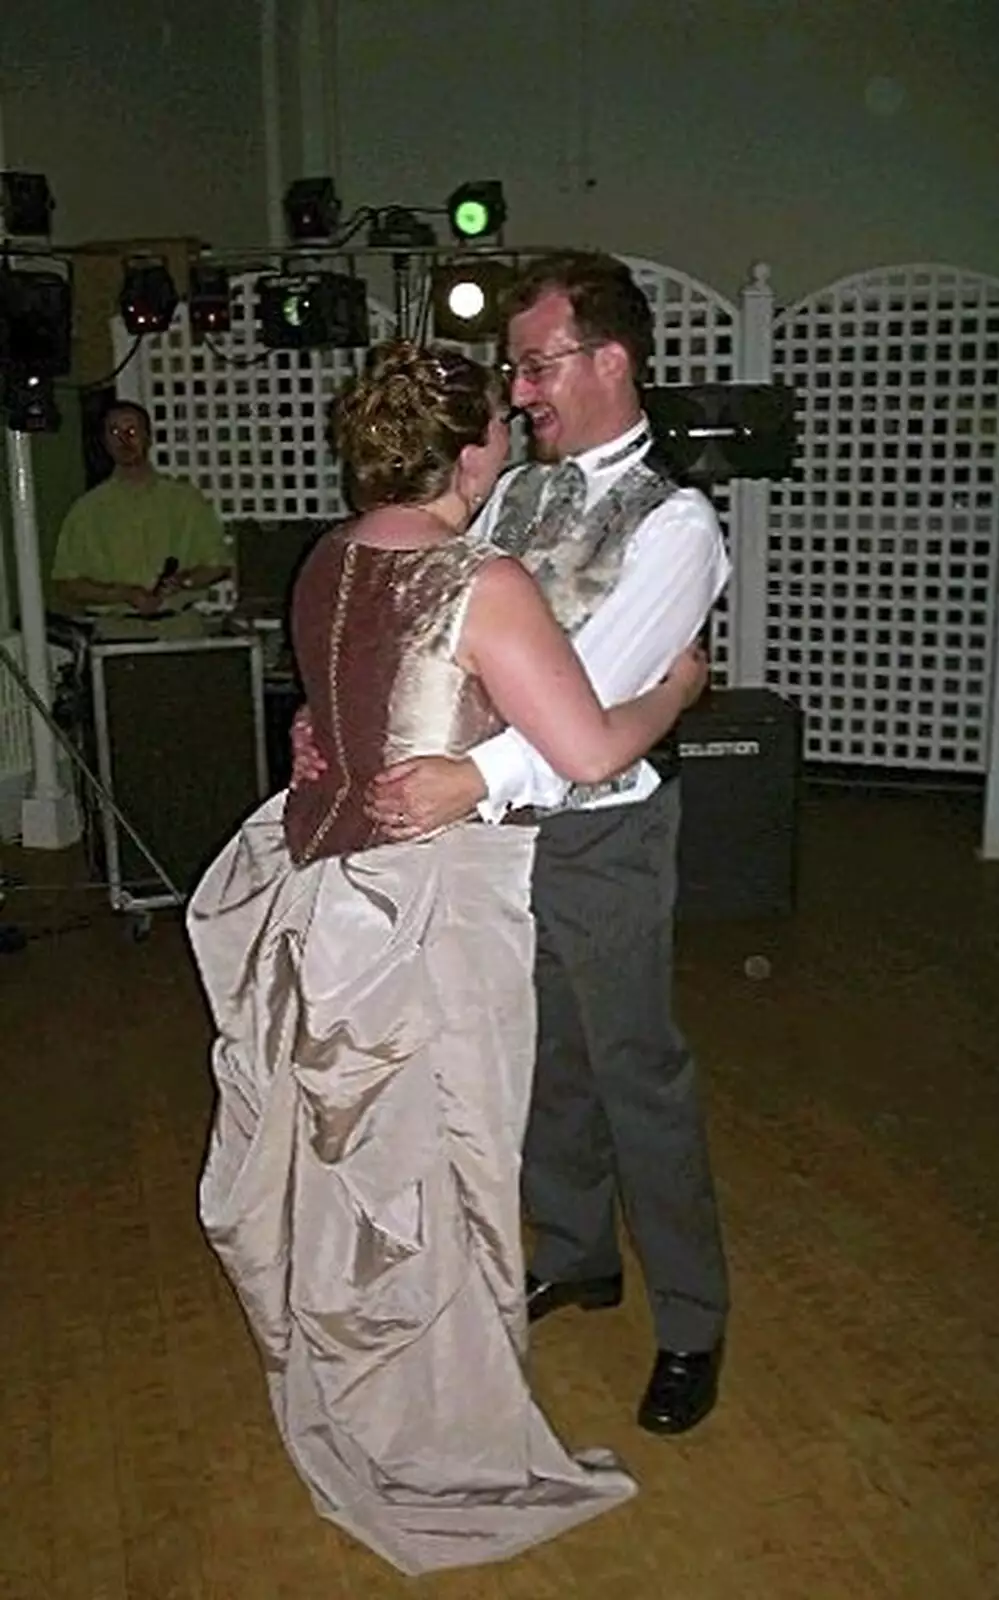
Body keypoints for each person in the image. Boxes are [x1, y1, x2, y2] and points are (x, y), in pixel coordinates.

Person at [186, 341, 706, 1577]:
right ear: (468, 451)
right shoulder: (481, 578)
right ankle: (441, 1438)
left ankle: (378, 1391)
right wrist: (675, 697)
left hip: (330, 895)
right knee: (447, 1177)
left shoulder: (330, 557)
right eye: (496, 423)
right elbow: (583, 750)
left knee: (368, 1176)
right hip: (430, 910)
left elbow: (334, 711)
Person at [292, 251, 733, 1435]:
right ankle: (580, 1252)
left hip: (602, 837)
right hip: (492, 845)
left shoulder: (679, 521)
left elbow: (588, 704)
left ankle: (692, 1319)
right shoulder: (517, 495)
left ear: (610, 359)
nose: (523, 389)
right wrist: (344, 716)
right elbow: (449, 635)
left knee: (638, 1071)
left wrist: (469, 775)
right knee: (544, 1068)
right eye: (518, 370)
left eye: (538, 365)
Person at [51, 401, 230, 616]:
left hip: (178, 624)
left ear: (149, 437)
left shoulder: (185, 500)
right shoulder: (87, 510)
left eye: (132, 431)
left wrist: (184, 581)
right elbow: (66, 584)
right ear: (104, 441)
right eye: (115, 432)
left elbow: (218, 565)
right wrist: (121, 594)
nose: (124, 439)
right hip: (115, 627)